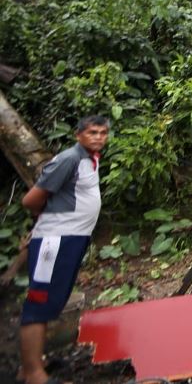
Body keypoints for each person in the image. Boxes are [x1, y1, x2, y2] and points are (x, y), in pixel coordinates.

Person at [19, 115, 109, 384]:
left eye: (103, 133)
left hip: (72, 238)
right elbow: (31, 199)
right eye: (92, 132)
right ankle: (34, 374)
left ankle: (32, 364)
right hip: (55, 241)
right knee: (39, 302)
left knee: (53, 300)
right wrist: (48, 223)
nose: (98, 137)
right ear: (78, 134)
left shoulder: (89, 159)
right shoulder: (69, 158)